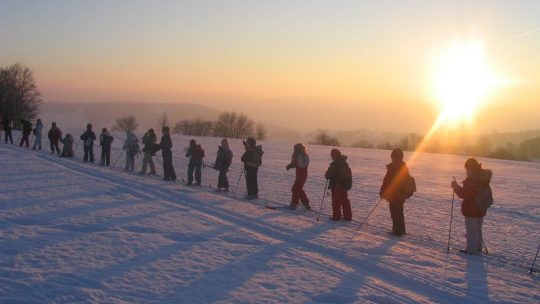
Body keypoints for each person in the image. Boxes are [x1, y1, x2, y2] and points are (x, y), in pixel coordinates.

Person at [451, 158, 493, 255]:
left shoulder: (471, 180)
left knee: (471, 231)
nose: (467, 171)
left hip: (471, 209)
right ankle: (478, 248)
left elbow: (465, 194)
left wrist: (456, 187)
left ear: (470, 168)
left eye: (467, 168)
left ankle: (471, 251)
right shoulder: (483, 177)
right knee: (478, 229)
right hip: (481, 208)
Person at [379, 148, 414, 236]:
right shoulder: (404, 168)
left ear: (395, 158)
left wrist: (383, 192)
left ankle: (397, 231)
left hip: (395, 194)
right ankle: (401, 230)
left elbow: (387, 181)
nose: (392, 159)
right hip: (401, 194)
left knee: (395, 212)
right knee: (399, 211)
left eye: (393, 157)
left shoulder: (392, 168)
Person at [325, 149, 353, 221]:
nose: (331, 157)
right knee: (344, 200)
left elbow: (328, 174)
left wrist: (328, 176)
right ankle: (348, 216)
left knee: (336, 201)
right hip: (344, 185)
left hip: (337, 185)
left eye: (332, 156)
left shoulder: (335, 164)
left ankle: (336, 216)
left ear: (334, 156)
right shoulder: (344, 163)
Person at [286, 143, 311, 210]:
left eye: (296, 149)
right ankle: (306, 204)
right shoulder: (298, 155)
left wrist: (294, 162)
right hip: (299, 174)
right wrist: (290, 165)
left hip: (302, 174)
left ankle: (294, 204)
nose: (294, 150)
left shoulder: (304, 156)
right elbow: (296, 164)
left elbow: (301, 165)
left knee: (295, 188)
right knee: (298, 189)